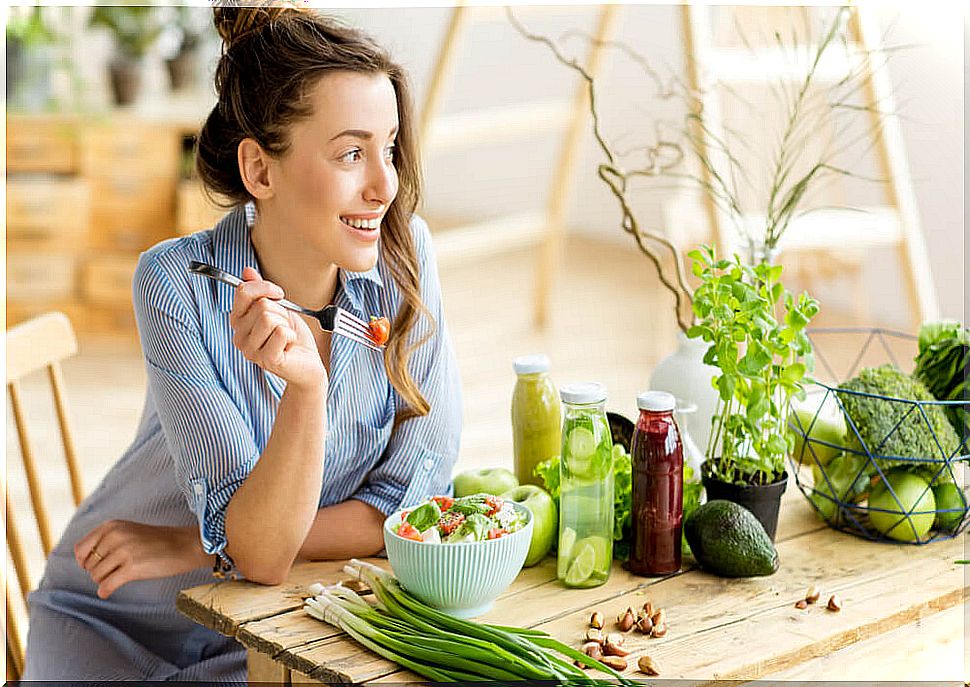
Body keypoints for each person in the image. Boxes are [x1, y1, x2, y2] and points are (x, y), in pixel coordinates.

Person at [22, 4, 461, 680]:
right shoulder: (175, 282)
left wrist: (195, 544)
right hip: (115, 616)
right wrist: (304, 398)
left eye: (390, 147)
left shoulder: (408, 258)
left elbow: (412, 504)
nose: (385, 184)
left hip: (267, 622)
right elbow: (259, 551)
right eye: (351, 152)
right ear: (260, 171)